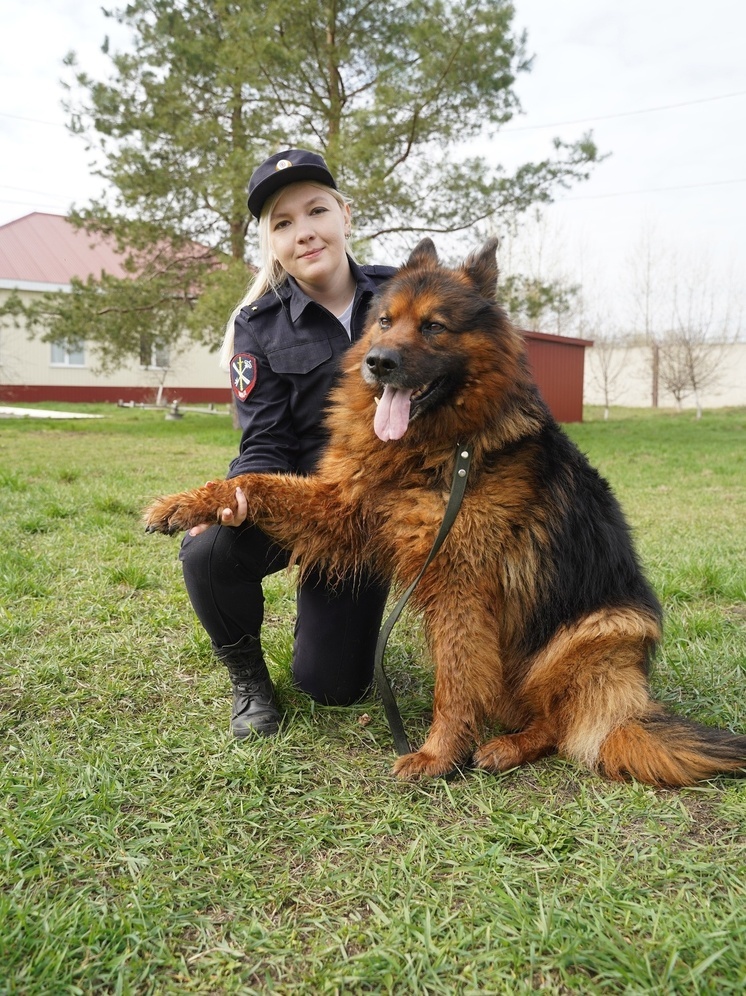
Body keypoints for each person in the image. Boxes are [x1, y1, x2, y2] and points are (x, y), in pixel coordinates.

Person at [179, 149, 396, 738]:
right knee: (209, 550)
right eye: (283, 223)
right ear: (271, 243)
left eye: (316, 211)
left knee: (333, 687)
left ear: (344, 215)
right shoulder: (258, 323)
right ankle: (248, 681)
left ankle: (327, 614)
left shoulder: (403, 293)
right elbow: (266, 438)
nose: (304, 233)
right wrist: (243, 491)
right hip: (311, 506)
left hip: (392, 508)